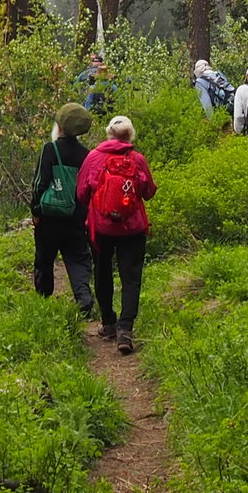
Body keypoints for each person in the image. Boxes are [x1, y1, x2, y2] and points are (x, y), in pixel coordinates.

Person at [76, 114, 157, 353]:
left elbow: (81, 194)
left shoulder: (93, 157)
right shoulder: (137, 159)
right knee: (131, 277)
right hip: (132, 229)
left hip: (100, 228)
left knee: (102, 272)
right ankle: (125, 330)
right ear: (130, 136)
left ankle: (109, 323)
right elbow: (149, 191)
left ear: (108, 134)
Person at [28, 103, 98, 324]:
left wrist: (36, 211)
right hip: (75, 217)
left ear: (60, 126)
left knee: (44, 258)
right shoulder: (86, 154)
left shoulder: (51, 149)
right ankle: (83, 298)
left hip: (49, 216)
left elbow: (40, 183)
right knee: (78, 259)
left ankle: (43, 300)